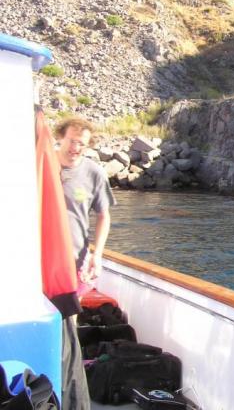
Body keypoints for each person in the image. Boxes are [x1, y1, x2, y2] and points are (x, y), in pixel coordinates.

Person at [54, 117, 116, 410]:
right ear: (60, 138)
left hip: (74, 262)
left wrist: (97, 253)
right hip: (39, 262)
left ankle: (65, 389)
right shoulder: (40, 166)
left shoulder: (93, 173)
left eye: (82, 143)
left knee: (68, 324)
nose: (76, 147)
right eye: (72, 140)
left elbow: (104, 215)